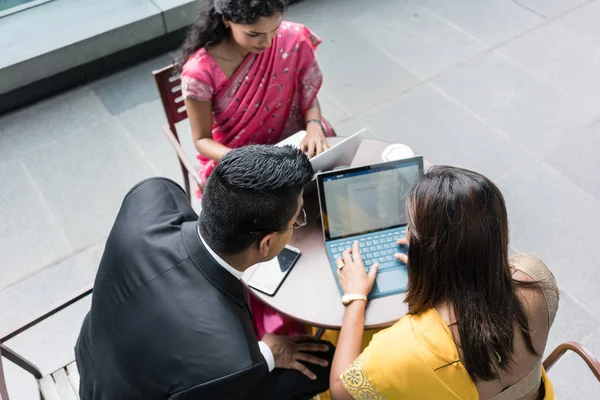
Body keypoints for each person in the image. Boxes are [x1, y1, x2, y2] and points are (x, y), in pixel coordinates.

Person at [75, 145, 334, 400]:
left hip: (93, 358)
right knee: (326, 363)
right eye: (295, 221)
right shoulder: (232, 365)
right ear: (265, 244)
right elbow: (222, 373)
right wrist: (267, 354)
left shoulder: (152, 194)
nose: (297, 223)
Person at [328, 166, 559, 400]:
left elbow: (340, 392)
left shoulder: (406, 347)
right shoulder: (536, 277)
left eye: (410, 227)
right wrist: (436, 265)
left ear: (426, 249)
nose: (407, 232)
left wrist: (356, 298)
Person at [178, 0, 335, 190]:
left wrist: (314, 126)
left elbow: (306, 95)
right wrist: (245, 160)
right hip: (240, 154)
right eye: (254, 34)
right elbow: (202, 140)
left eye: (274, 29)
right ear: (227, 20)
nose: (267, 42)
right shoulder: (199, 73)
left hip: (297, 140)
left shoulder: (292, 37)